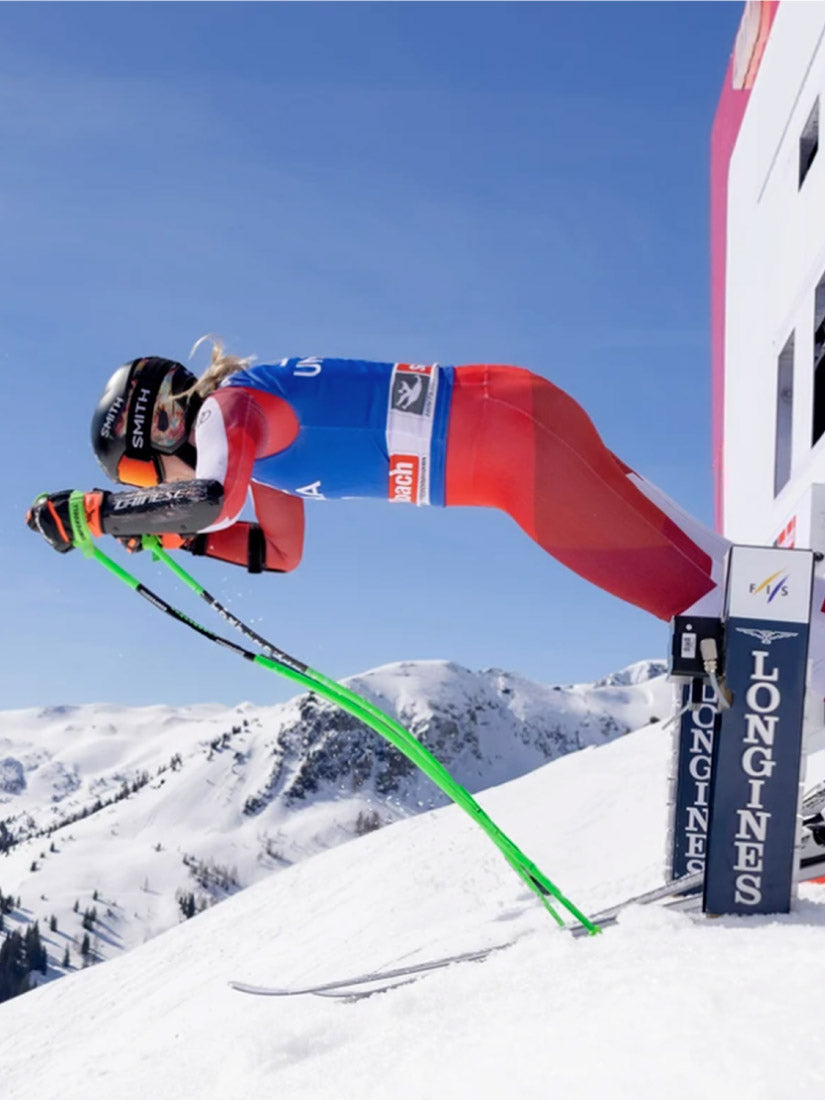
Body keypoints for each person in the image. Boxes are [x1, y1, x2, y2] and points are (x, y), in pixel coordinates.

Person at [27, 341, 734, 625]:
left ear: (166, 428)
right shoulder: (251, 445)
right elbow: (278, 551)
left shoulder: (228, 410)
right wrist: (174, 537)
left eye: (140, 473)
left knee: (697, 605)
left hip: (519, 452)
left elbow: (211, 502)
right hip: (516, 434)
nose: (151, 486)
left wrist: (104, 513)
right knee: (714, 578)